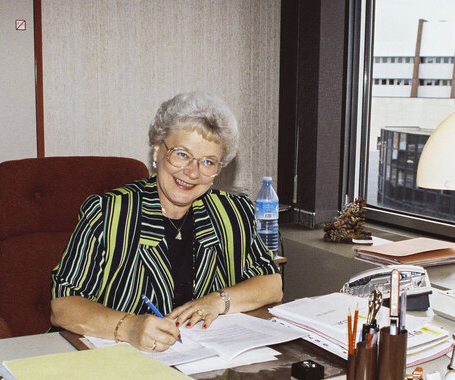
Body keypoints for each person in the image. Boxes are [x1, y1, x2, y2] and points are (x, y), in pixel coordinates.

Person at [50, 91, 283, 352]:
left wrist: (218, 302)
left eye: (207, 161)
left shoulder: (232, 212)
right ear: (157, 151)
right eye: (181, 154)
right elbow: (62, 306)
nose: (192, 172)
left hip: (202, 361)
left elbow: (272, 284)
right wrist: (128, 327)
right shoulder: (108, 213)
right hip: (114, 361)